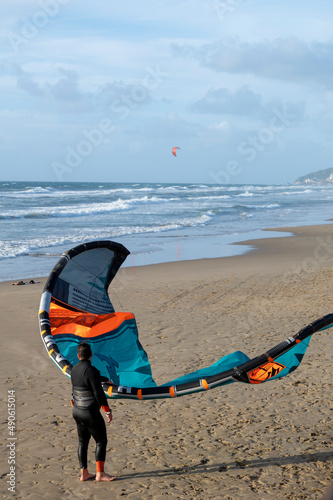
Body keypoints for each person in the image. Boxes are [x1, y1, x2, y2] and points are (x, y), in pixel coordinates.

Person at [71, 341, 116, 482]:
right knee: (101, 441)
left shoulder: (73, 369)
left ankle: (84, 474)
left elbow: (87, 380)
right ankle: (100, 474)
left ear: (78, 356)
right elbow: (99, 394)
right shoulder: (92, 370)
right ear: (91, 354)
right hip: (89, 412)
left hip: (77, 411)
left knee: (82, 443)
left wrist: (105, 379)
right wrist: (107, 410)